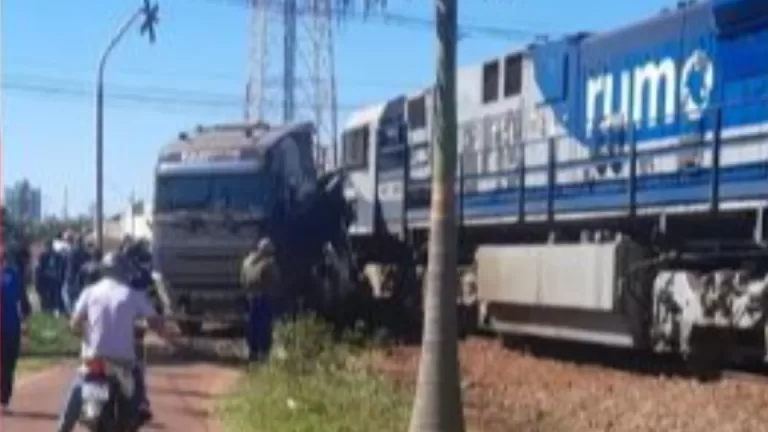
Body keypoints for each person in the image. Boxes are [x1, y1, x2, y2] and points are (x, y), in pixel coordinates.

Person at [55, 252, 172, 432]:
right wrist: (166, 336)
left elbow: (74, 324)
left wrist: (87, 335)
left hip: (94, 358)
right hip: (122, 361)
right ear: (123, 271)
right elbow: (155, 321)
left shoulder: (89, 292)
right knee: (138, 378)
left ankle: (64, 427)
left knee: (77, 389)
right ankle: (141, 408)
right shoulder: (132, 294)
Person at [1, 246, 32, 413]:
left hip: (10, 327)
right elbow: (25, 304)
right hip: (11, 327)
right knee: (8, 366)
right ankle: (4, 401)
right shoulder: (14, 276)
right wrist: (26, 324)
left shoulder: (14, 276)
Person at [240, 237, 281, 363]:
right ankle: (263, 353)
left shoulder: (247, 261)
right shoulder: (269, 263)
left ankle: (252, 351)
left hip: (250, 297)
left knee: (252, 325)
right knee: (264, 326)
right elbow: (276, 280)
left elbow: (242, 279)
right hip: (264, 298)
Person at [35, 239, 62, 313]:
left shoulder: (57, 255)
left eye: (50, 246)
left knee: (54, 295)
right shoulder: (42, 256)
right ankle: (46, 309)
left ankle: (54, 308)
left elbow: (60, 266)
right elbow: (39, 268)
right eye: (48, 246)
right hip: (45, 278)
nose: (49, 248)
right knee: (45, 296)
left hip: (54, 278)